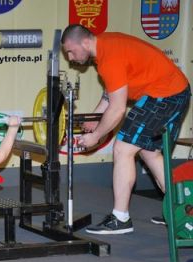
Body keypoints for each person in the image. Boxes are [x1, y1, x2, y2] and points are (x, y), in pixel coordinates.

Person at [61, 24, 191, 235]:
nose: (70, 57)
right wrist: (96, 117)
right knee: (149, 152)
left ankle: (121, 218)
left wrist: (96, 135)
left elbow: (118, 109)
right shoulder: (105, 46)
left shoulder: (108, 57)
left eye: (71, 51)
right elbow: (111, 91)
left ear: (85, 42)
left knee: (123, 148)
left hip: (166, 94)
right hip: (172, 92)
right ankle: (178, 209)